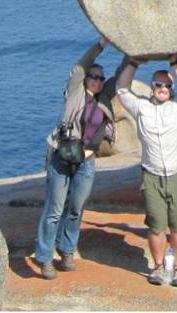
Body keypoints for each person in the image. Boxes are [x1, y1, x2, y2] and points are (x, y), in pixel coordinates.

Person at [32, 36, 127, 280]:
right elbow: (79, 67)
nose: (98, 81)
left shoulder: (104, 97)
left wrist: (134, 53)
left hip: (87, 161)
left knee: (76, 208)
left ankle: (67, 251)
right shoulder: (75, 92)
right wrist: (102, 45)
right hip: (62, 158)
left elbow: (124, 73)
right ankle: (44, 258)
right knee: (54, 209)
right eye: (94, 77)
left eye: (100, 78)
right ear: (86, 79)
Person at [116, 55, 177, 287]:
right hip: (151, 176)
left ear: (171, 88)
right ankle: (158, 267)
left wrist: (175, 64)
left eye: (167, 85)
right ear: (152, 87)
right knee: (155, 225)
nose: (162, 88)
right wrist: (133, 62)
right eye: (158, 84)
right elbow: (122, 90)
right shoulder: (142, 107)